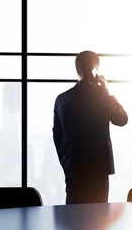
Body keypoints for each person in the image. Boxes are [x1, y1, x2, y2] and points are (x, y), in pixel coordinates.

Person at [53, 50, 128, 204]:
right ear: (96, 70)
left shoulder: (62, 100)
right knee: (98, 220)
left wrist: (67, 163)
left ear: (77, 70)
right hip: (98, 170)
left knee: (74, 217)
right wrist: (108, 93)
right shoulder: (101, 98)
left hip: (73, 170)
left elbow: (57, 137)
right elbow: (122, 119)